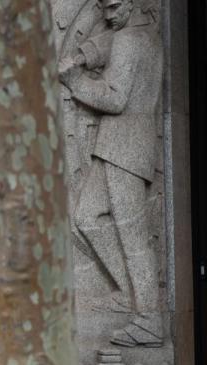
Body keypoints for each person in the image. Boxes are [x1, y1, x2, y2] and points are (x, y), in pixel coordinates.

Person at [59, 0, 163, 347]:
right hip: (115, 147)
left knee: (132, 236)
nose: (107, 14)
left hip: (126, 147)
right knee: (86, 216)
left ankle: (149, 318)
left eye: (114, 6)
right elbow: (107, 46)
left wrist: (75, 80)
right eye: (103, 7)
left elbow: (115, 98)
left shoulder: (131, 40)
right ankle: (129, 292)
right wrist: (85, 54)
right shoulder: (139, 34)